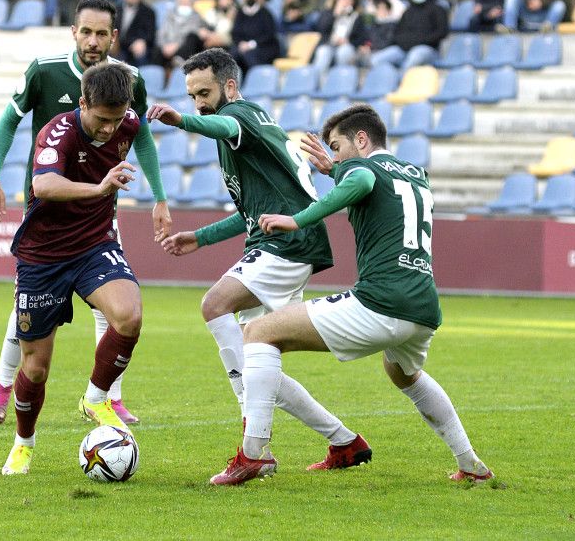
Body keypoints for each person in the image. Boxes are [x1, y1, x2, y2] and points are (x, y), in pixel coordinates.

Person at [208, 104, 495, 486]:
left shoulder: (362, 169)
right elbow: (365, 182)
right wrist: (337, 168)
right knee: (404, 374)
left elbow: (360, 181)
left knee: (259, 333)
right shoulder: (415, 174)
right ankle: (472, 464)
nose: (335, 155)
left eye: (337, 146)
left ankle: (253, 453)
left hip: (381, 301)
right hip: (423, 305)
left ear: (361, 139)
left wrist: (296, 219)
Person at [148, 48, 358, 473]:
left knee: (214, 305)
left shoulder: (240, 116)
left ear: (229, 86)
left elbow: (222, 121)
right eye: (191, 98)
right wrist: (201, 237)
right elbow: (251, 211)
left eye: (204, 93)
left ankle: (252, 440)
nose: (198, 103)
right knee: (260, 354)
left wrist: (183, 121)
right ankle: (345, 442)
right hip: (286, 240)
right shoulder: (251, 128)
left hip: (287, 243)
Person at [0, 0, 170, 427]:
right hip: (47, 206)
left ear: (114, 36)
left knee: (114, 306)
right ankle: (3, 383)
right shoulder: (44, 70)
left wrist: (159, 196)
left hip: (100, 210)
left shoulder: (128, 80)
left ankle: (106, 397)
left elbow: (141, 138)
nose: (94, 41)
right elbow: (9, 120)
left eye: (102, 33)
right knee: (29, 307)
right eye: (86, 31)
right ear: (74, 32)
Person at [0, 63, 147, 475]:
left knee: (129, 316)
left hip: (94, 244)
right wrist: (100, 188)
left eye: (117, 120)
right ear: (83, 103)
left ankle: (96, 398)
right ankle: (23, 443)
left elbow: (141, 132)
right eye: (101, 119)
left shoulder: (128, 122)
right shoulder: (57, 132)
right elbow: (43, 186)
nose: (109, 129)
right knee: (36, 367)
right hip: (43, 255)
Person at [369, 0, 448, 69]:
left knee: (414, 57)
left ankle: (402, 81)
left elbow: (442, 32)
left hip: (428, 49)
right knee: (376, 59)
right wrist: (405, 43)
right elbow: (398, 33)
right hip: (404, 48)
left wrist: (419, 41)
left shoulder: (438, 9)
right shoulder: (408, 11)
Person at [313, 0, 372, 68]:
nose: (346, 1)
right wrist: (335, 14)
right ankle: (318, 79)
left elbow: (361, 38)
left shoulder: (357, 17)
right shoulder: (328, 13)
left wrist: (347, 41)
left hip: (346, 46)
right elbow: (321, 28)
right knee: (323, 52)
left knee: (344, 51)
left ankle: (340, 78)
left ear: (353, 1)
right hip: (329, 45)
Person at [230, 0, 279, 72]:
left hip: (263, 48)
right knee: (232, 55)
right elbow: (235, 33)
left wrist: (251, 44)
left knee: (249, 55)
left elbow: (269, 35)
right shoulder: (240, 13)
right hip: (243, 47)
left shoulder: (266, 13)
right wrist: (240, 43)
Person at [157, 0, 204, 68]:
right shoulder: (169, 16)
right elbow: (161, 33)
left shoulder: (196, 17)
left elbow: (191, 32)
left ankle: (182, 64)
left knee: (192, 37)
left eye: (187, 2)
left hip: (183, 48)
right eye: (181, 2)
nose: (184, 4)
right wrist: (164, 46)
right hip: (167, 47)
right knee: (156, 48)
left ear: (192, 3)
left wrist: (177, 45)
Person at [116, 0, 157, 67]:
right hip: (118, 44)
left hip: (136, 45)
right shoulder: (116, 10)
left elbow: (150, 34)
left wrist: (142, 41)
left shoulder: (148, 11)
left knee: (141, 54)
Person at [502, 0, 567, 32]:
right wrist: (530, 0)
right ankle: (510, 28)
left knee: (560, 5)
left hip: (546, 16)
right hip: (529, 11)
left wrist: (541, 3)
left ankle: (548, 30)